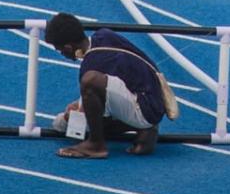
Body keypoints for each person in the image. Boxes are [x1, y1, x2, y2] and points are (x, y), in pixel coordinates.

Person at [44, 12, 166, 158]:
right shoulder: (105, 35)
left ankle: (95, 145)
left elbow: (81, 122)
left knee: (67, 120)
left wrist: (70, 116)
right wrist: (81, 105)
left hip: (145, 110)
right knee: (89, 113)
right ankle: (146, 129)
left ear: (68, 48)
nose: (61, 53)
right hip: (152, 100)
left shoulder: (91, 67)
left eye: (59, 50)